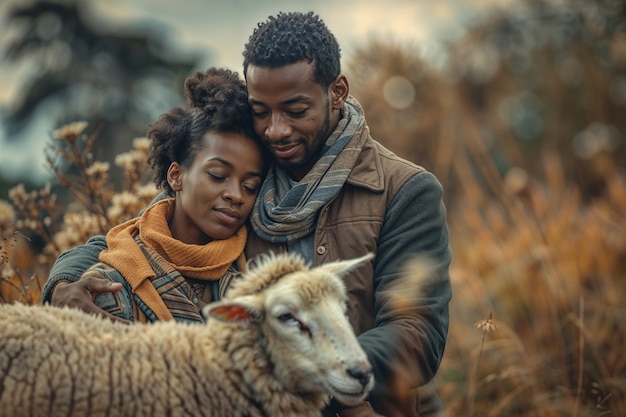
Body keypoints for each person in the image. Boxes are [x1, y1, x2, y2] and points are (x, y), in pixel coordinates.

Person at [43, 11, 452, 417]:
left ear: (337, 92)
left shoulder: (404, 190)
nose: (276, 129)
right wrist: (64, 281)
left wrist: (302, 368)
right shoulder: (251, 169)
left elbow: (417, 335)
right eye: (261, 111)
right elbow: (143, 237)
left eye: (295, 110)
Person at [42, 67, 268, 322]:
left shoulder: (257, 264)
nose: (236, 195)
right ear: (176, 176)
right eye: (217, 175)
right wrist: (61, 285)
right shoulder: (111, 280)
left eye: (250, 186)